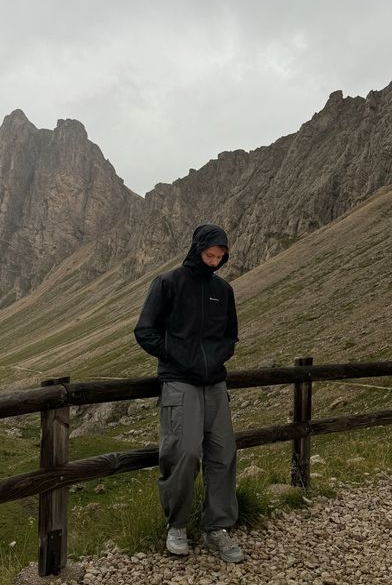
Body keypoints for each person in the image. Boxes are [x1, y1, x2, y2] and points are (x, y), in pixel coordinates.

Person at [134, 223, 244, 563]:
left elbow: (230, 335)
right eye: (210, 255)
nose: (214, 262)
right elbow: (145, 331)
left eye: (220, 257)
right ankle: (177, 525)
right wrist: (179, 357)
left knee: (223, 454)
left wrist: (216, 358)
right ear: (197, 249)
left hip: (215, 383)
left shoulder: (223, 291)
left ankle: (218, 528)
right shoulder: (168, 283)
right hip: (179, 381)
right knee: (184, 453)